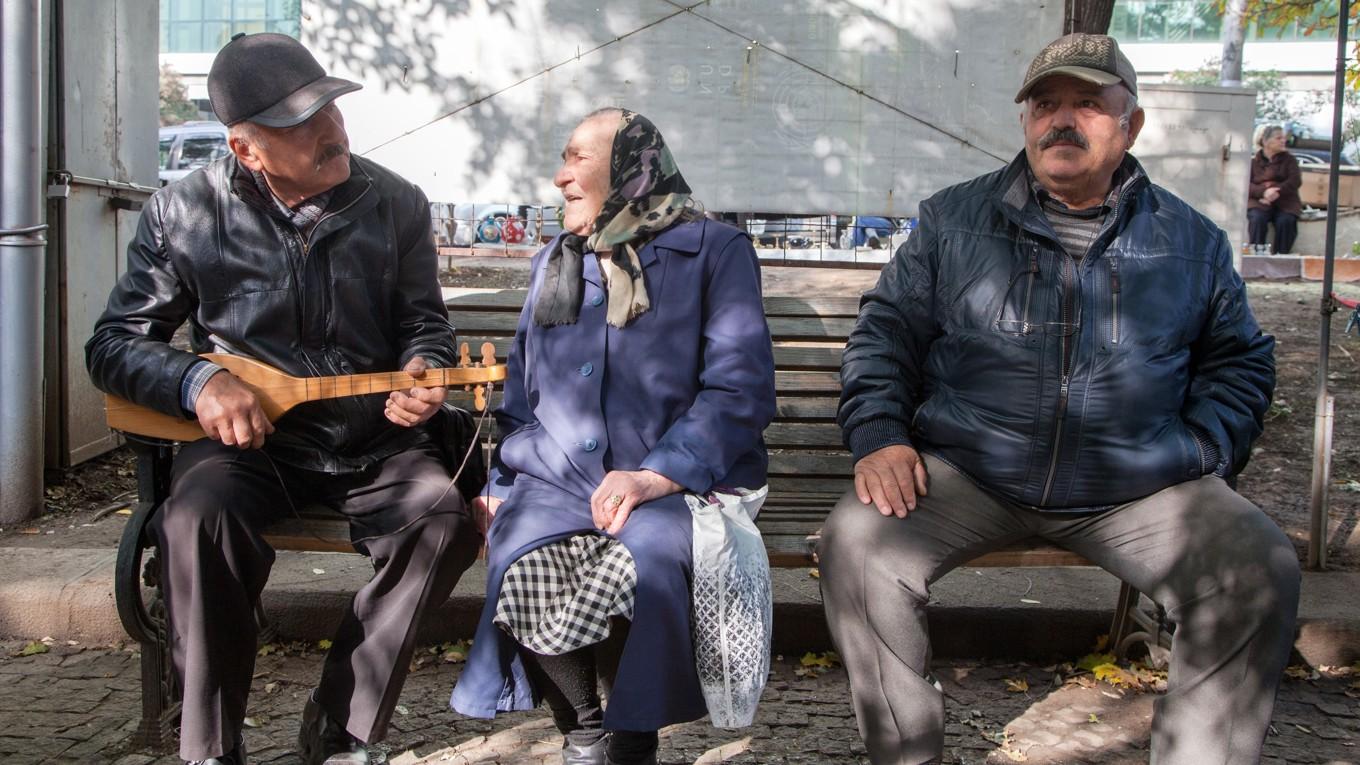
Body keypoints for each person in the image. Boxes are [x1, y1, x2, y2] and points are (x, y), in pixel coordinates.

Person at [820, 33, 1299, 765]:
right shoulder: (953, 221)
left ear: (1130, 126)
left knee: (1259, 562)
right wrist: (882, 432)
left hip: (1135, 484)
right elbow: (883, 335)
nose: (1061, 122)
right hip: (971, 470)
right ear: (1025, 122)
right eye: (1046, 105)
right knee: (856, 545)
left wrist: (1204, 448)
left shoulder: (1191, 241)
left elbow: (1238, 362)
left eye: (1087, 104)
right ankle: (905, 751)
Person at [85, 33, 482, 765]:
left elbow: (424, 323)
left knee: (442, 521)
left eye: (328, 107)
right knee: (194, 521)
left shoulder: (395, 203)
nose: (331, 130)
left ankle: (339, 726)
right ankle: (209, 747)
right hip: (251, 445)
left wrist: (424, 367)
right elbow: (113, 344)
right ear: (246, 149)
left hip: (373, 441)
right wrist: (197, 381)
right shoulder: (184, 212)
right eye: (301, 123)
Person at [449, 108, 777, 765]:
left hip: (674, 478)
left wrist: (656, 474)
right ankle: (586, 731)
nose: (559, 175)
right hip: (558, 476)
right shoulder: (557, 260)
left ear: (632, 167)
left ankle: (631, 741)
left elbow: (739, 390)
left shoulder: (713, 251)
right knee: (517, 543)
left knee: (647, 553)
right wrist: (501, 485)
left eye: (575, 158)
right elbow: (521, 398)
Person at [1248, 123, 1303, 254]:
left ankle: (1281, 255)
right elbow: (1246, 184)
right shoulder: (1254, 162)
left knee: (1286, 220)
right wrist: (1264, 193)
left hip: (1285, 202)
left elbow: (1295, 181)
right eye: (1279, 138)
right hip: (1260, 202)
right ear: (1265, 141)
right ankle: (1257, 253)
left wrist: (1275, 191)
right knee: (1257, 218)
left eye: (1283, 138)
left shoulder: (1290, 160)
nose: (1283, 141)